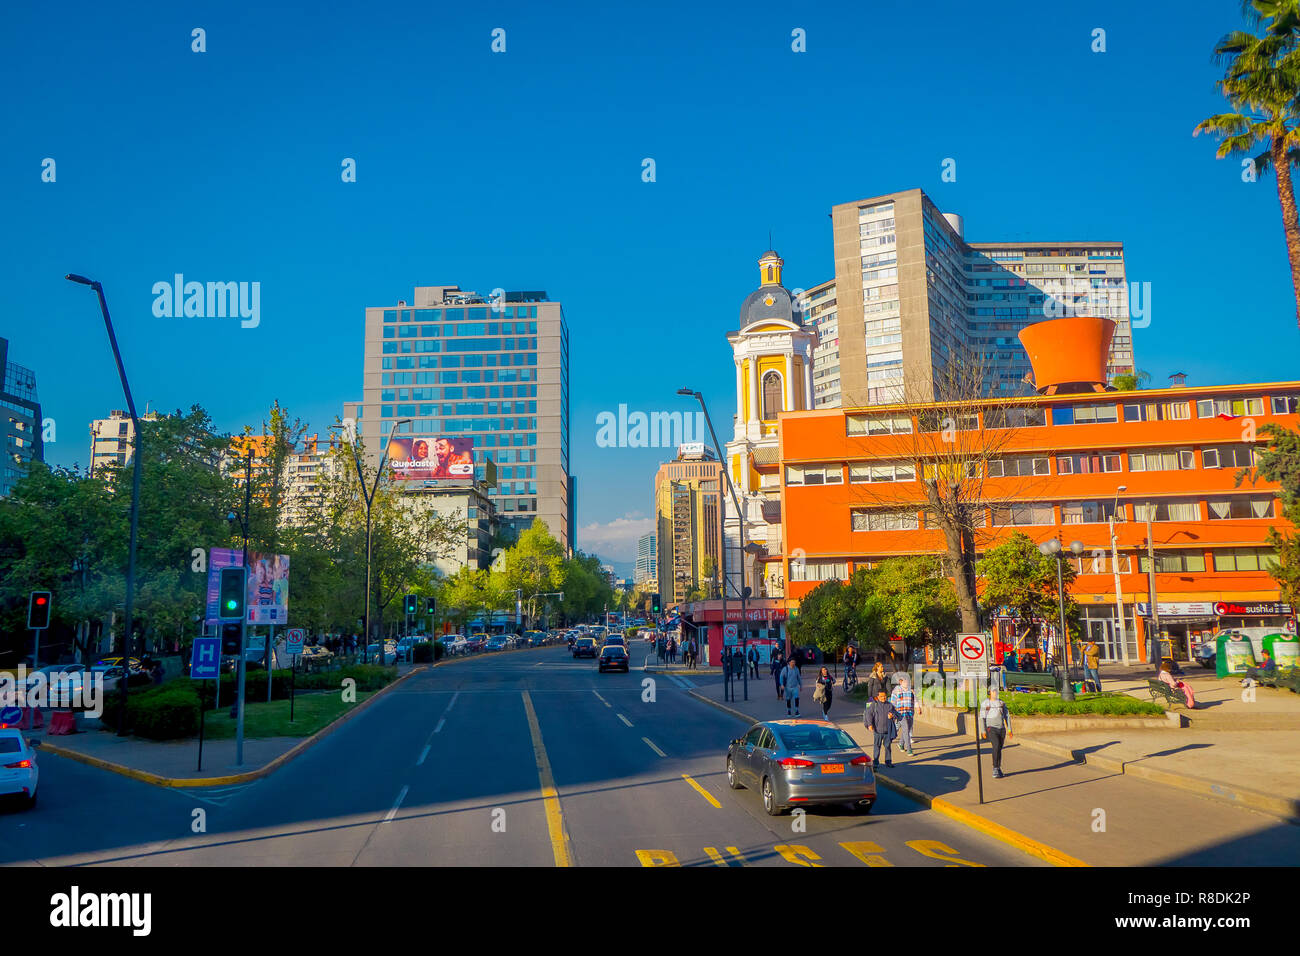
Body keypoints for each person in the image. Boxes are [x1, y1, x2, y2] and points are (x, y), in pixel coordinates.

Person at [978, 686, 1013, 778]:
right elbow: (982, 717)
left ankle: (998, 767)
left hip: (1001, 729)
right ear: (989, 692)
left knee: (999, 749)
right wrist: (983, 730)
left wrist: (1009, 729)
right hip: (991, 728)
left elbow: (1007, 716)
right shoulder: (985, 703)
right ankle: (995, 768)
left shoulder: (1001, 703)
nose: (995, 693)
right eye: (993, 691)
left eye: (996, 691)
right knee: (996, 746)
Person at [864, 689, 901, 767]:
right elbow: (869, 714)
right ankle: (876, 762)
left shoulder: (889, 705)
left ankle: (888, 761)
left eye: (884, 696)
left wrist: (892, 716)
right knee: (877, 746)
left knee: (888, 746)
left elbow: (897, 714)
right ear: (877, 697)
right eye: (881, 696)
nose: (883, 698)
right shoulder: (874, 705)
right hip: (877, 730)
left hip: (887, 730)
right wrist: (870, 725)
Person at [889, 674, 918, 755]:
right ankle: (909, 749)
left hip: (910, 713)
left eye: (908, 681)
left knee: (907, 729)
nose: (907, 682)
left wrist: (918, 708)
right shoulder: (896, 690)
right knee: (906, 729)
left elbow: (915, 700)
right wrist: (891, 712)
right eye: (905, 681)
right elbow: (893, 702)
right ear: (900, 682)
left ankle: (901, 744)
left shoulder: (911, 691)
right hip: (900, 713)